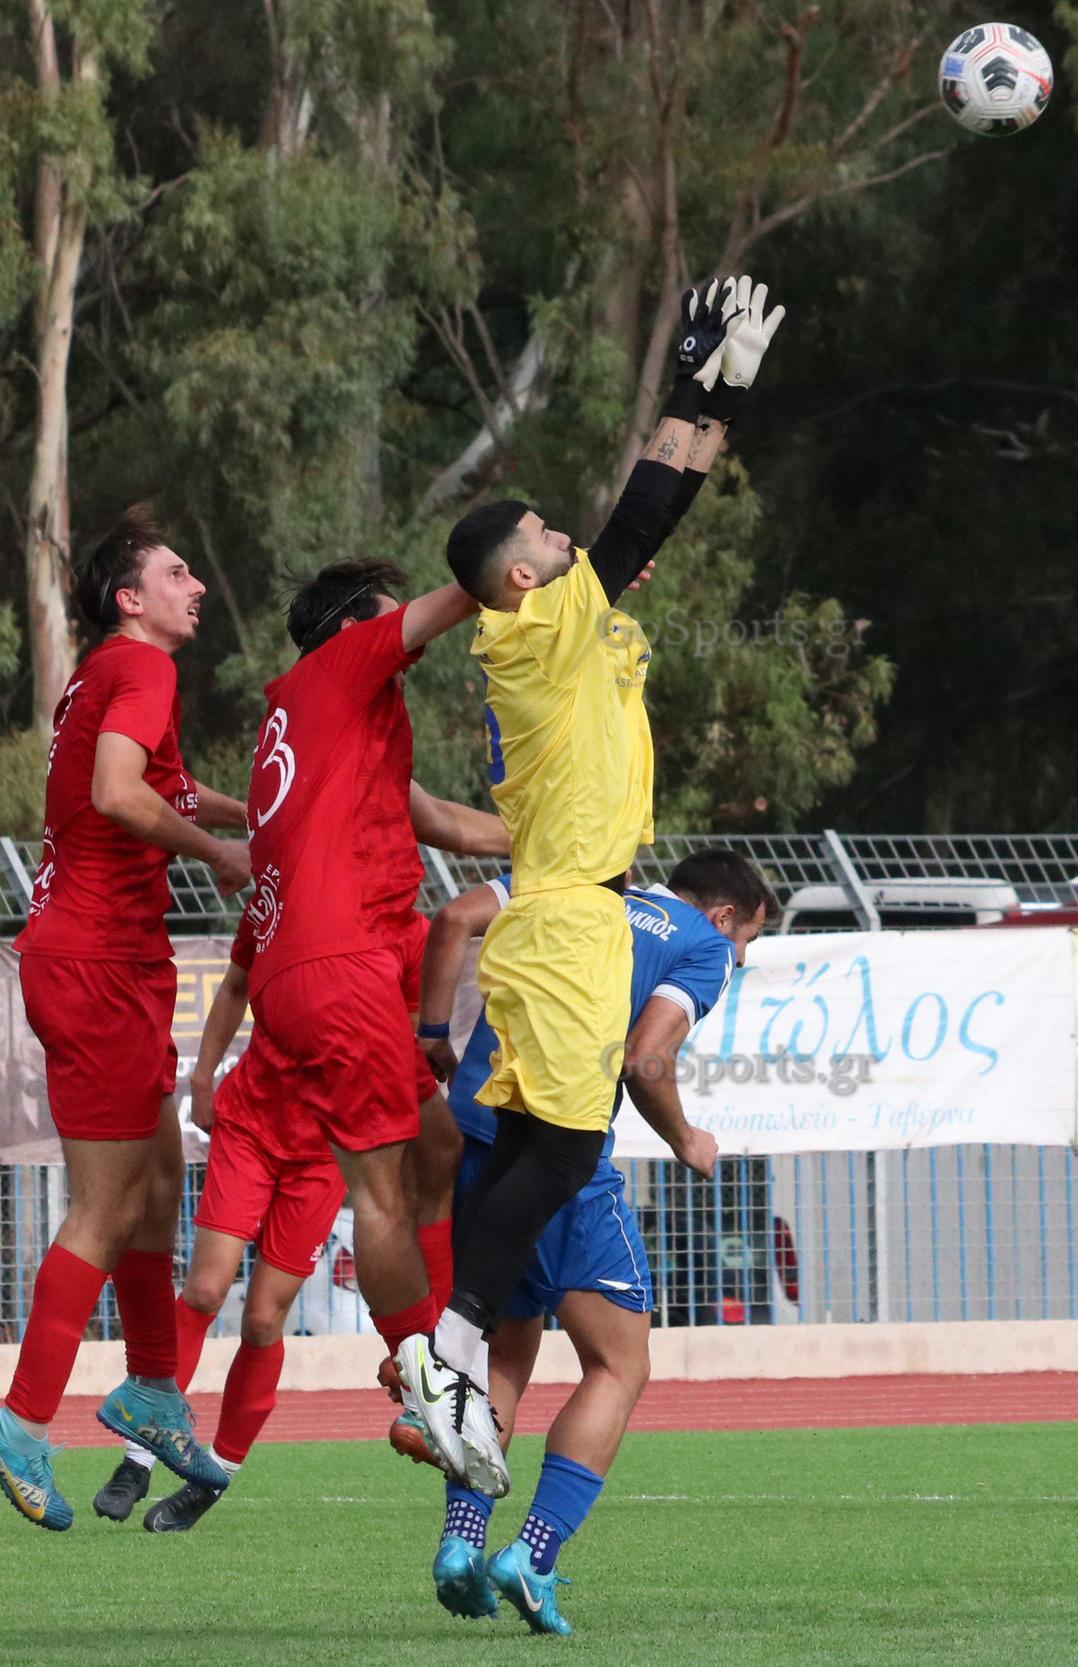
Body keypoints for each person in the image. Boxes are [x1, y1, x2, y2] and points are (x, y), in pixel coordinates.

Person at [395, 275, 786, 1498]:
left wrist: (716, 399)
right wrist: (690, 381)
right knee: (563, 1155)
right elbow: (635, 523)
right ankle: (450, 1353)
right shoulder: (534, 624)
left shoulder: (566, 627)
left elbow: (644, 530)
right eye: (545, 543)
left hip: (558, 917)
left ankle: (452, 1354)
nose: (566, 545)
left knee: (524, 1142)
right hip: (570, 922)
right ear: (520, 581)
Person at [92, 782, 499, 1530]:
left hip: (322, 1154)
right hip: (252, 1121)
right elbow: (238, 985)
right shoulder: (284, 898)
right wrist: (204, 1072)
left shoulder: (409, 939)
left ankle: (215, 1473)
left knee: (263, 1322)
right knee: (208, 1288)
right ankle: (141, 1454)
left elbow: (387, 1049)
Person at [412, 848, 774, 1632]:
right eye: (748, 940)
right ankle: (532, 1555)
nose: (739, 959)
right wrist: (687, 1140)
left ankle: (461, 1542)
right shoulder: (698, 943)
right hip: (556, 1151)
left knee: (503, 1352)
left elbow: (452, 919)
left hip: (475, 1134)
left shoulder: (574, 882)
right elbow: (648, 1060)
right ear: (723, 917)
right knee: (619, 1360)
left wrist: (434, 1032)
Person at [0, 506, 252, 1533]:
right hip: (98, 958)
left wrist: (265, 813)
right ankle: (22, 1420)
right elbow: (117, 792)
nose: (195, 586)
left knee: (155, 1188)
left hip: (111, 960)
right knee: (104, 1211)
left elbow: (163, 782)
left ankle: (151, 1389)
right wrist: (219, 853)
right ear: (130, 598)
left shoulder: (111, 675)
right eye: (177, 571)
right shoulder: (142, 666)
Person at [243, 556, 513, 1489]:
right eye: (389, 618)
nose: (407, 631)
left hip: (307, 962)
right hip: (332, 962)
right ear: (358, 626)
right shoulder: (342, 666)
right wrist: (553, 563)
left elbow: (438, 820)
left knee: (434, 1143)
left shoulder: (333, 722)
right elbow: (474, 586)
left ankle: (431, 1354)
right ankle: (429, 1383)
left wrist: (561, 836)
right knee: (381, 1190)